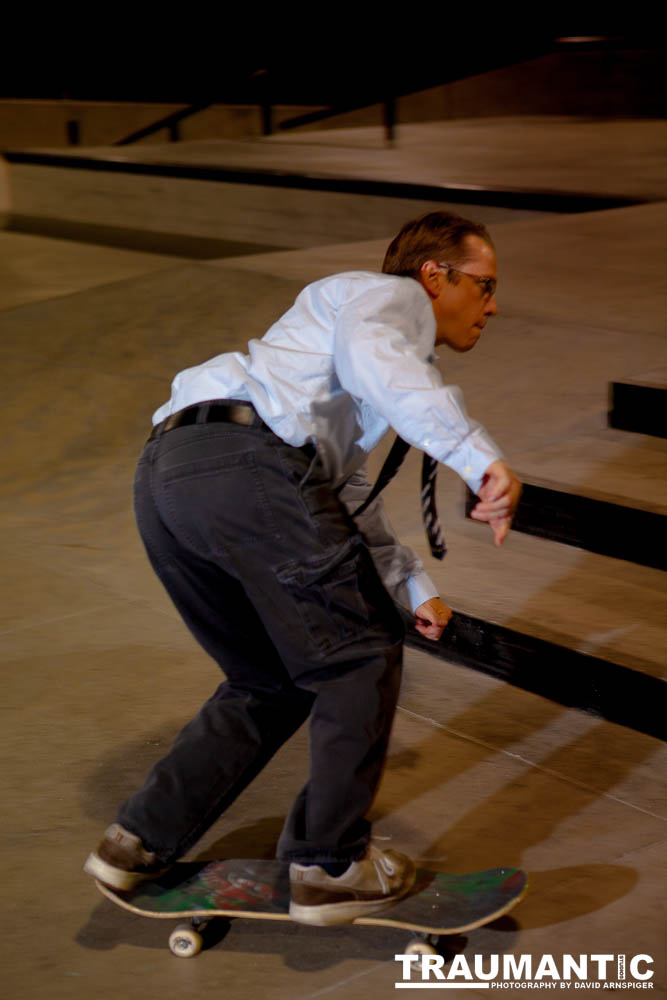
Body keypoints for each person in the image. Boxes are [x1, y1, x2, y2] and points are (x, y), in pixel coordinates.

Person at [84, 210, 521, 926]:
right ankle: (329, 864)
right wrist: (478, 459)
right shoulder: (387, 301)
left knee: (268, 679)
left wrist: (410, 585)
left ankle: (136, 839)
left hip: (171, 475)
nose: (493, 306)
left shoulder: (334, 357)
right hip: (248, 468)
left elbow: (339, 494)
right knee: (355, 658)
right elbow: (380, 371)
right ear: (433, 276)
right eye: (484, 285)